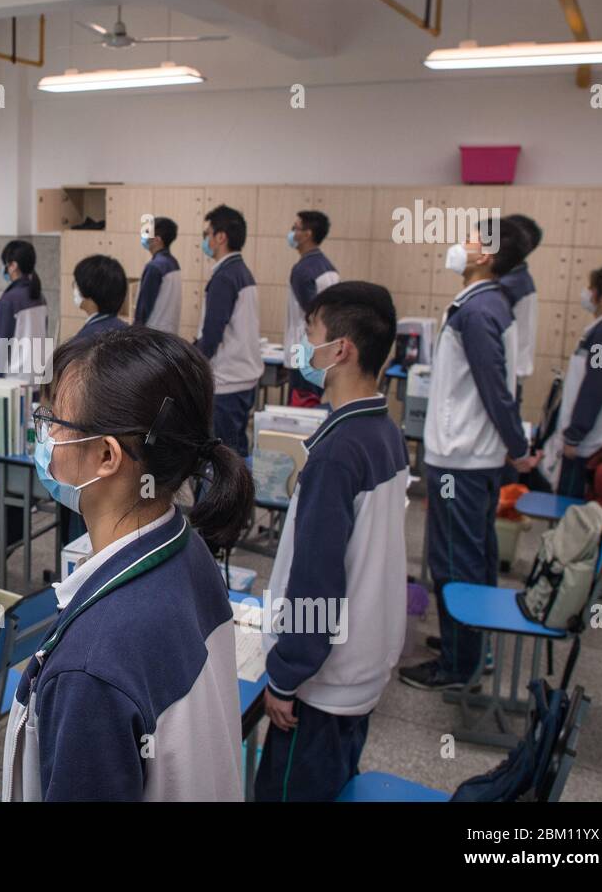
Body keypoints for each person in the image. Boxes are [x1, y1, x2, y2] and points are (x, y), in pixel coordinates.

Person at [3, 328, 254, 801]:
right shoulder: (187, 548)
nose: (46, 434)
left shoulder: (91, 671)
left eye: (55, 420)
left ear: (105, 455)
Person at [256, 282, 407, 801]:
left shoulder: (338, 453)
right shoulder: (382, 431)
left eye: (311, 334)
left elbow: (317, 578)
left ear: (340, 349)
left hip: (320, 683)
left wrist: (286, 674)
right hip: (360, 668)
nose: (302, 345)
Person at [399, 220, 536, 692]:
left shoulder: (479, 311)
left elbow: (495, 388)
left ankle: (459, 667)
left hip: (462, 458)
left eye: (475, 240)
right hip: (468, 455)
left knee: (455, 559)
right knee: (473, 555)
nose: (464, 244)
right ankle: (471, 646)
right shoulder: (484, 304)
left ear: (488, 257)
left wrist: (518, 449)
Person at [542, 267, 602, 498]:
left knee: (571, 511)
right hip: (592, 440)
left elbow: (595, 388)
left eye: (591, 289)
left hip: (588, 446)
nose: (586, 294)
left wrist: (574, 434)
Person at [195, 204, 263, 456]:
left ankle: (231, 497)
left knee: (224, 456)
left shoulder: (225, 277)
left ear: (220, 237)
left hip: (227, 380)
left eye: (207, 234)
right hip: (242, 378)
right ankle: (241, 494)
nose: (206, 240)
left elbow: (212, 335)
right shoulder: (242, 273)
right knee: (236, 449)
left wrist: (193, 362)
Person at [284, 210, 340, 408]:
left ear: (307, 234)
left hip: (303, 351)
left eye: (295, 228)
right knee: (315, 406)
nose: (291, 233)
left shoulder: (302, 270)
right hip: (322, 351)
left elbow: (311, 314)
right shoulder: (328, 267)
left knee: (301, 408)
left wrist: (298, 361)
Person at [499, 213, 541, 406]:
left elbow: (598, 373)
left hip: (505, 377)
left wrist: (575, 432)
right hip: (510, 376)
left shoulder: (509, 286)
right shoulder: (518, 280)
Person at [0, 239, 49, 382]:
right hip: (37, 379)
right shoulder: (40, 297)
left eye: (5, 264)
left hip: (14, 382)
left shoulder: (9, 299)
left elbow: (1, 345)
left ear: (13, 266)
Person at [134, 216, 182, 333]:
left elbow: (144, 308)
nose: (144, 238)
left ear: (157, 240)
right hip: (169, 333)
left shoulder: (154, 267)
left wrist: (135, 331)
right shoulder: (173, 263)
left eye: (147, 234)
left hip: (152, 334)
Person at [70, 254, 129, 341]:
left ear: (89, 289)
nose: (74, 288)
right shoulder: (126, 331)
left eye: (76, 284)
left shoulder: (85, 342)